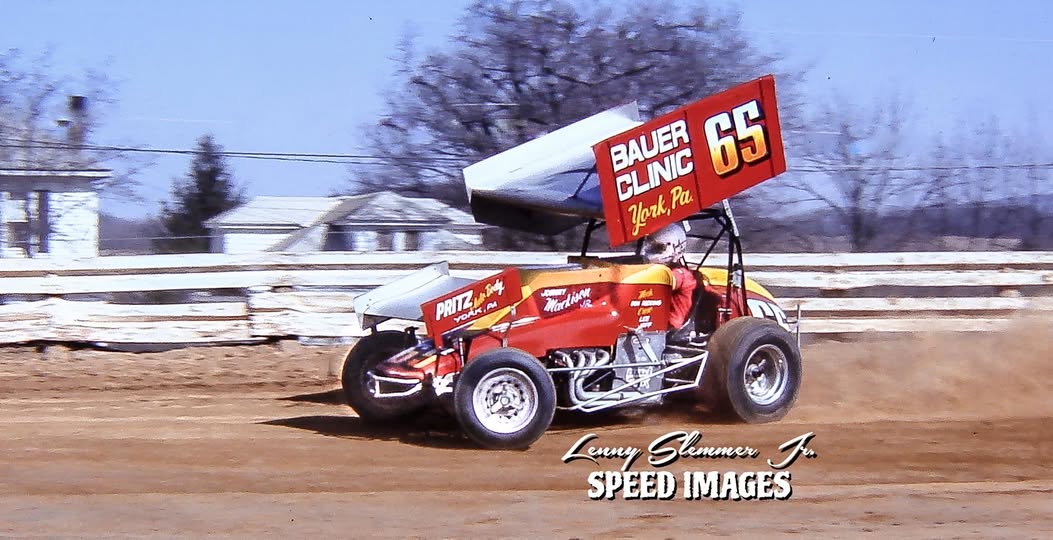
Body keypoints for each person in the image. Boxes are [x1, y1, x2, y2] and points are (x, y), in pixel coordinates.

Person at [641, 222, 698, 330]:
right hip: (654, 322)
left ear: (675, 249)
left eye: (657, 248)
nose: (649, 251)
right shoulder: (659, 270)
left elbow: (662, 282)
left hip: (671, 328)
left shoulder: (682, 275)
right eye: (650, 246)